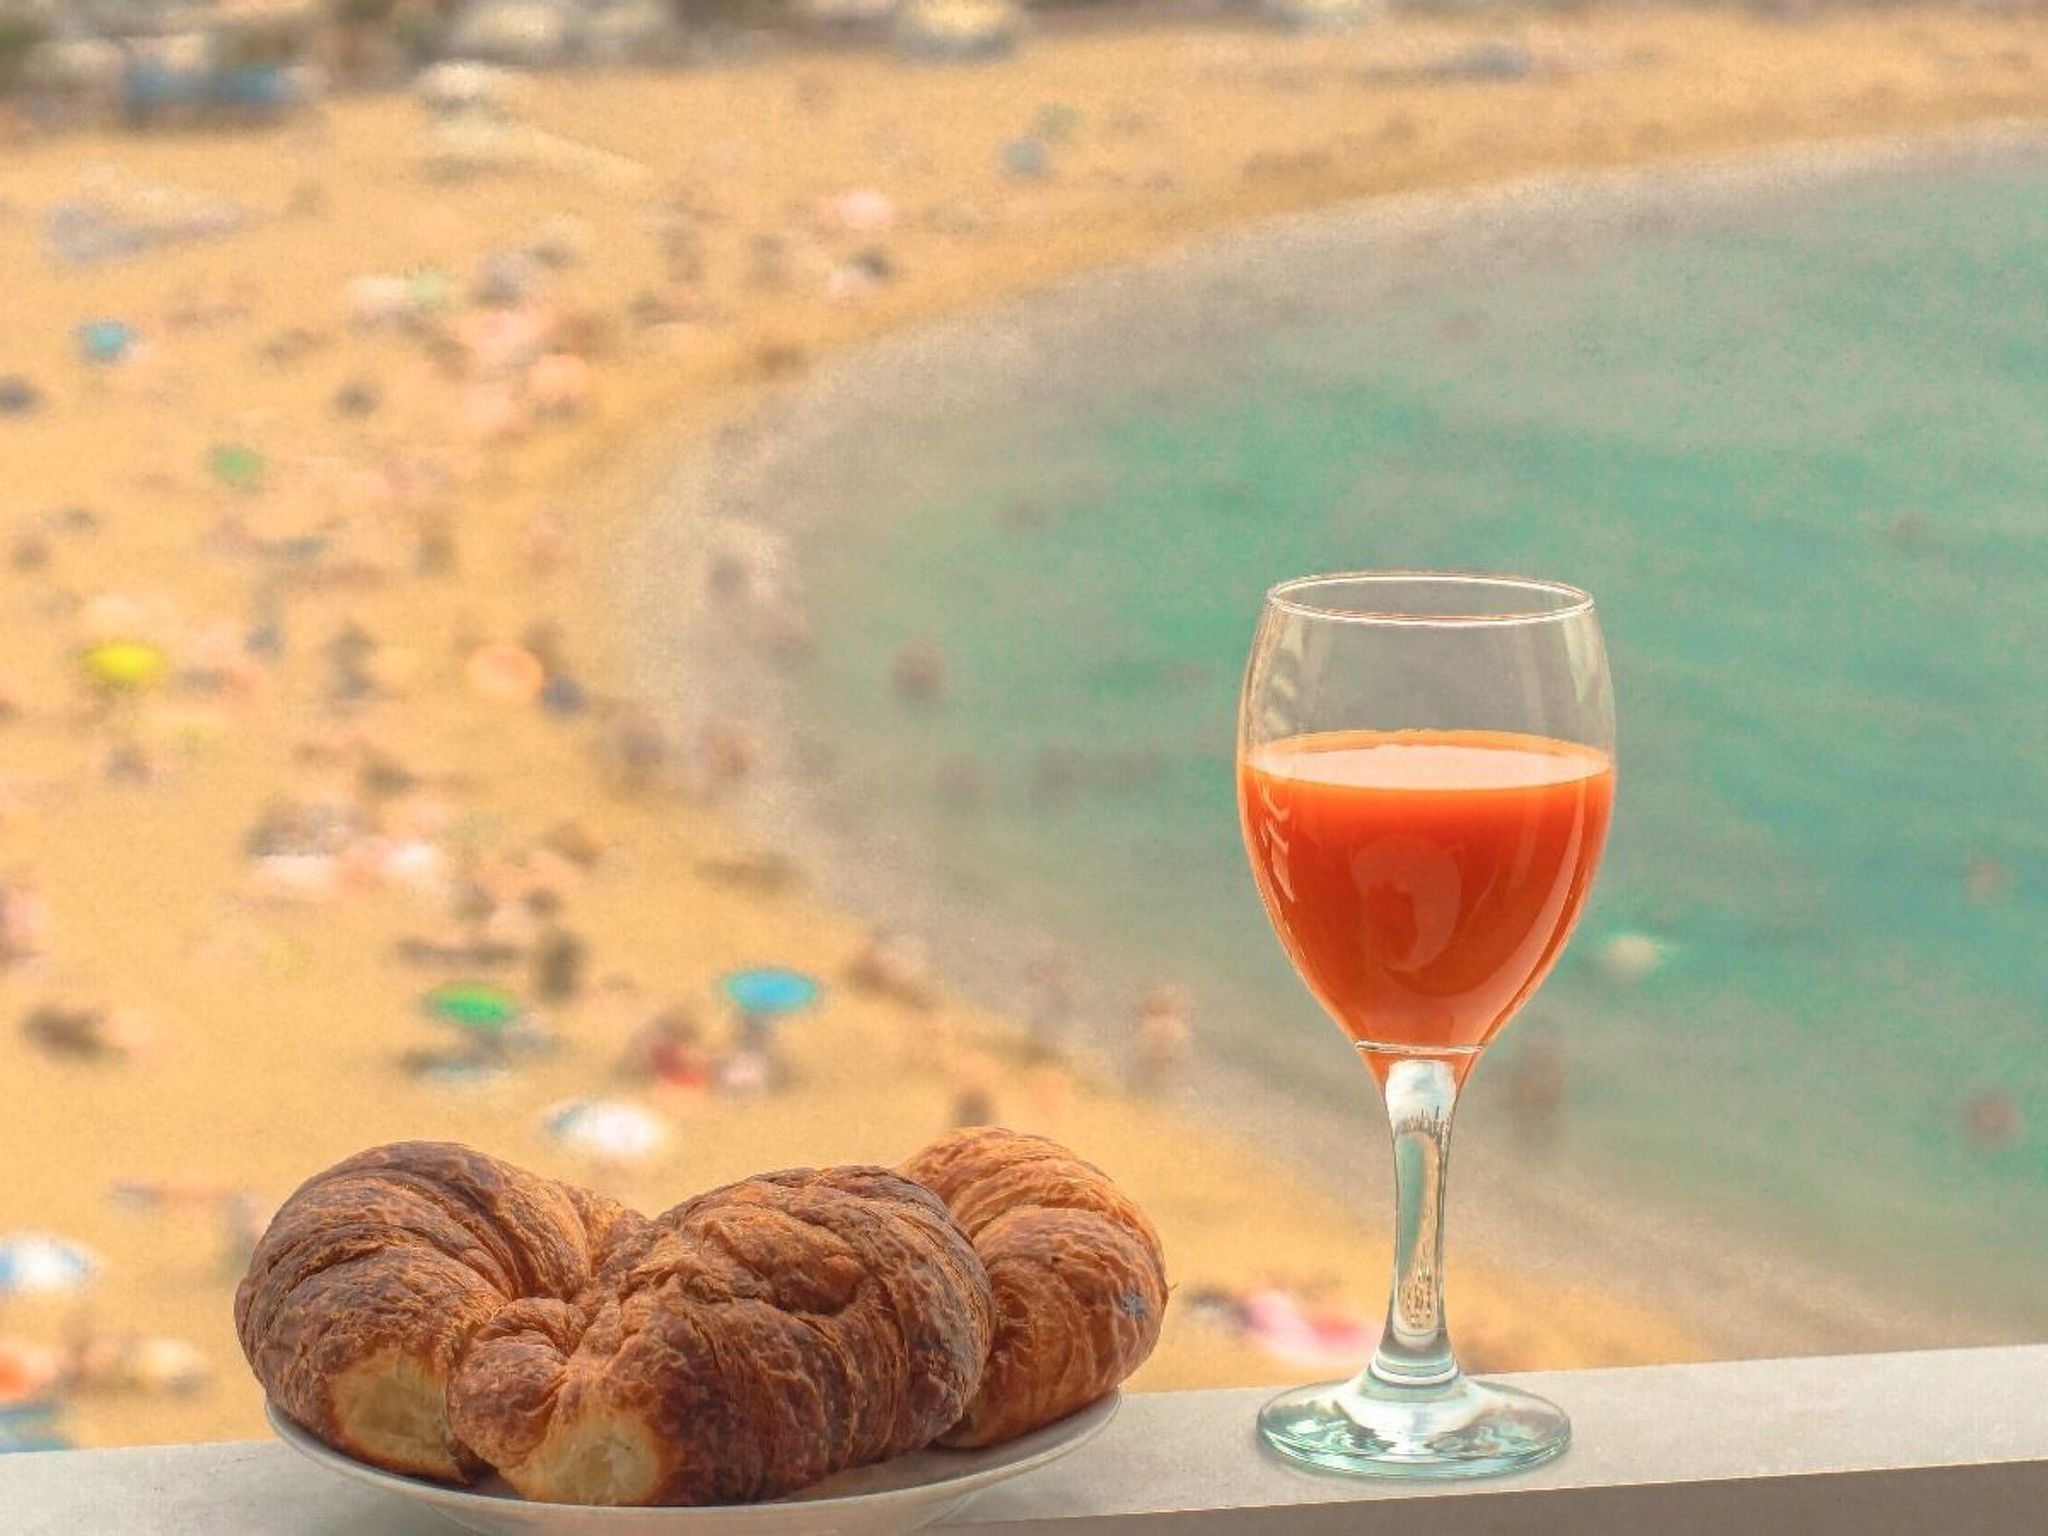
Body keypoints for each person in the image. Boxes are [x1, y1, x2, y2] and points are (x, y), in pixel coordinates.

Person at [1130, 982, 1192, 1096]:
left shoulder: (1156, 1025)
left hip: (1155, 1058)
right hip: (1162, 1058)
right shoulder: (1176, 1027)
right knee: (1158, 1079)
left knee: (1151, 1078)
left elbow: (1142, 1047)